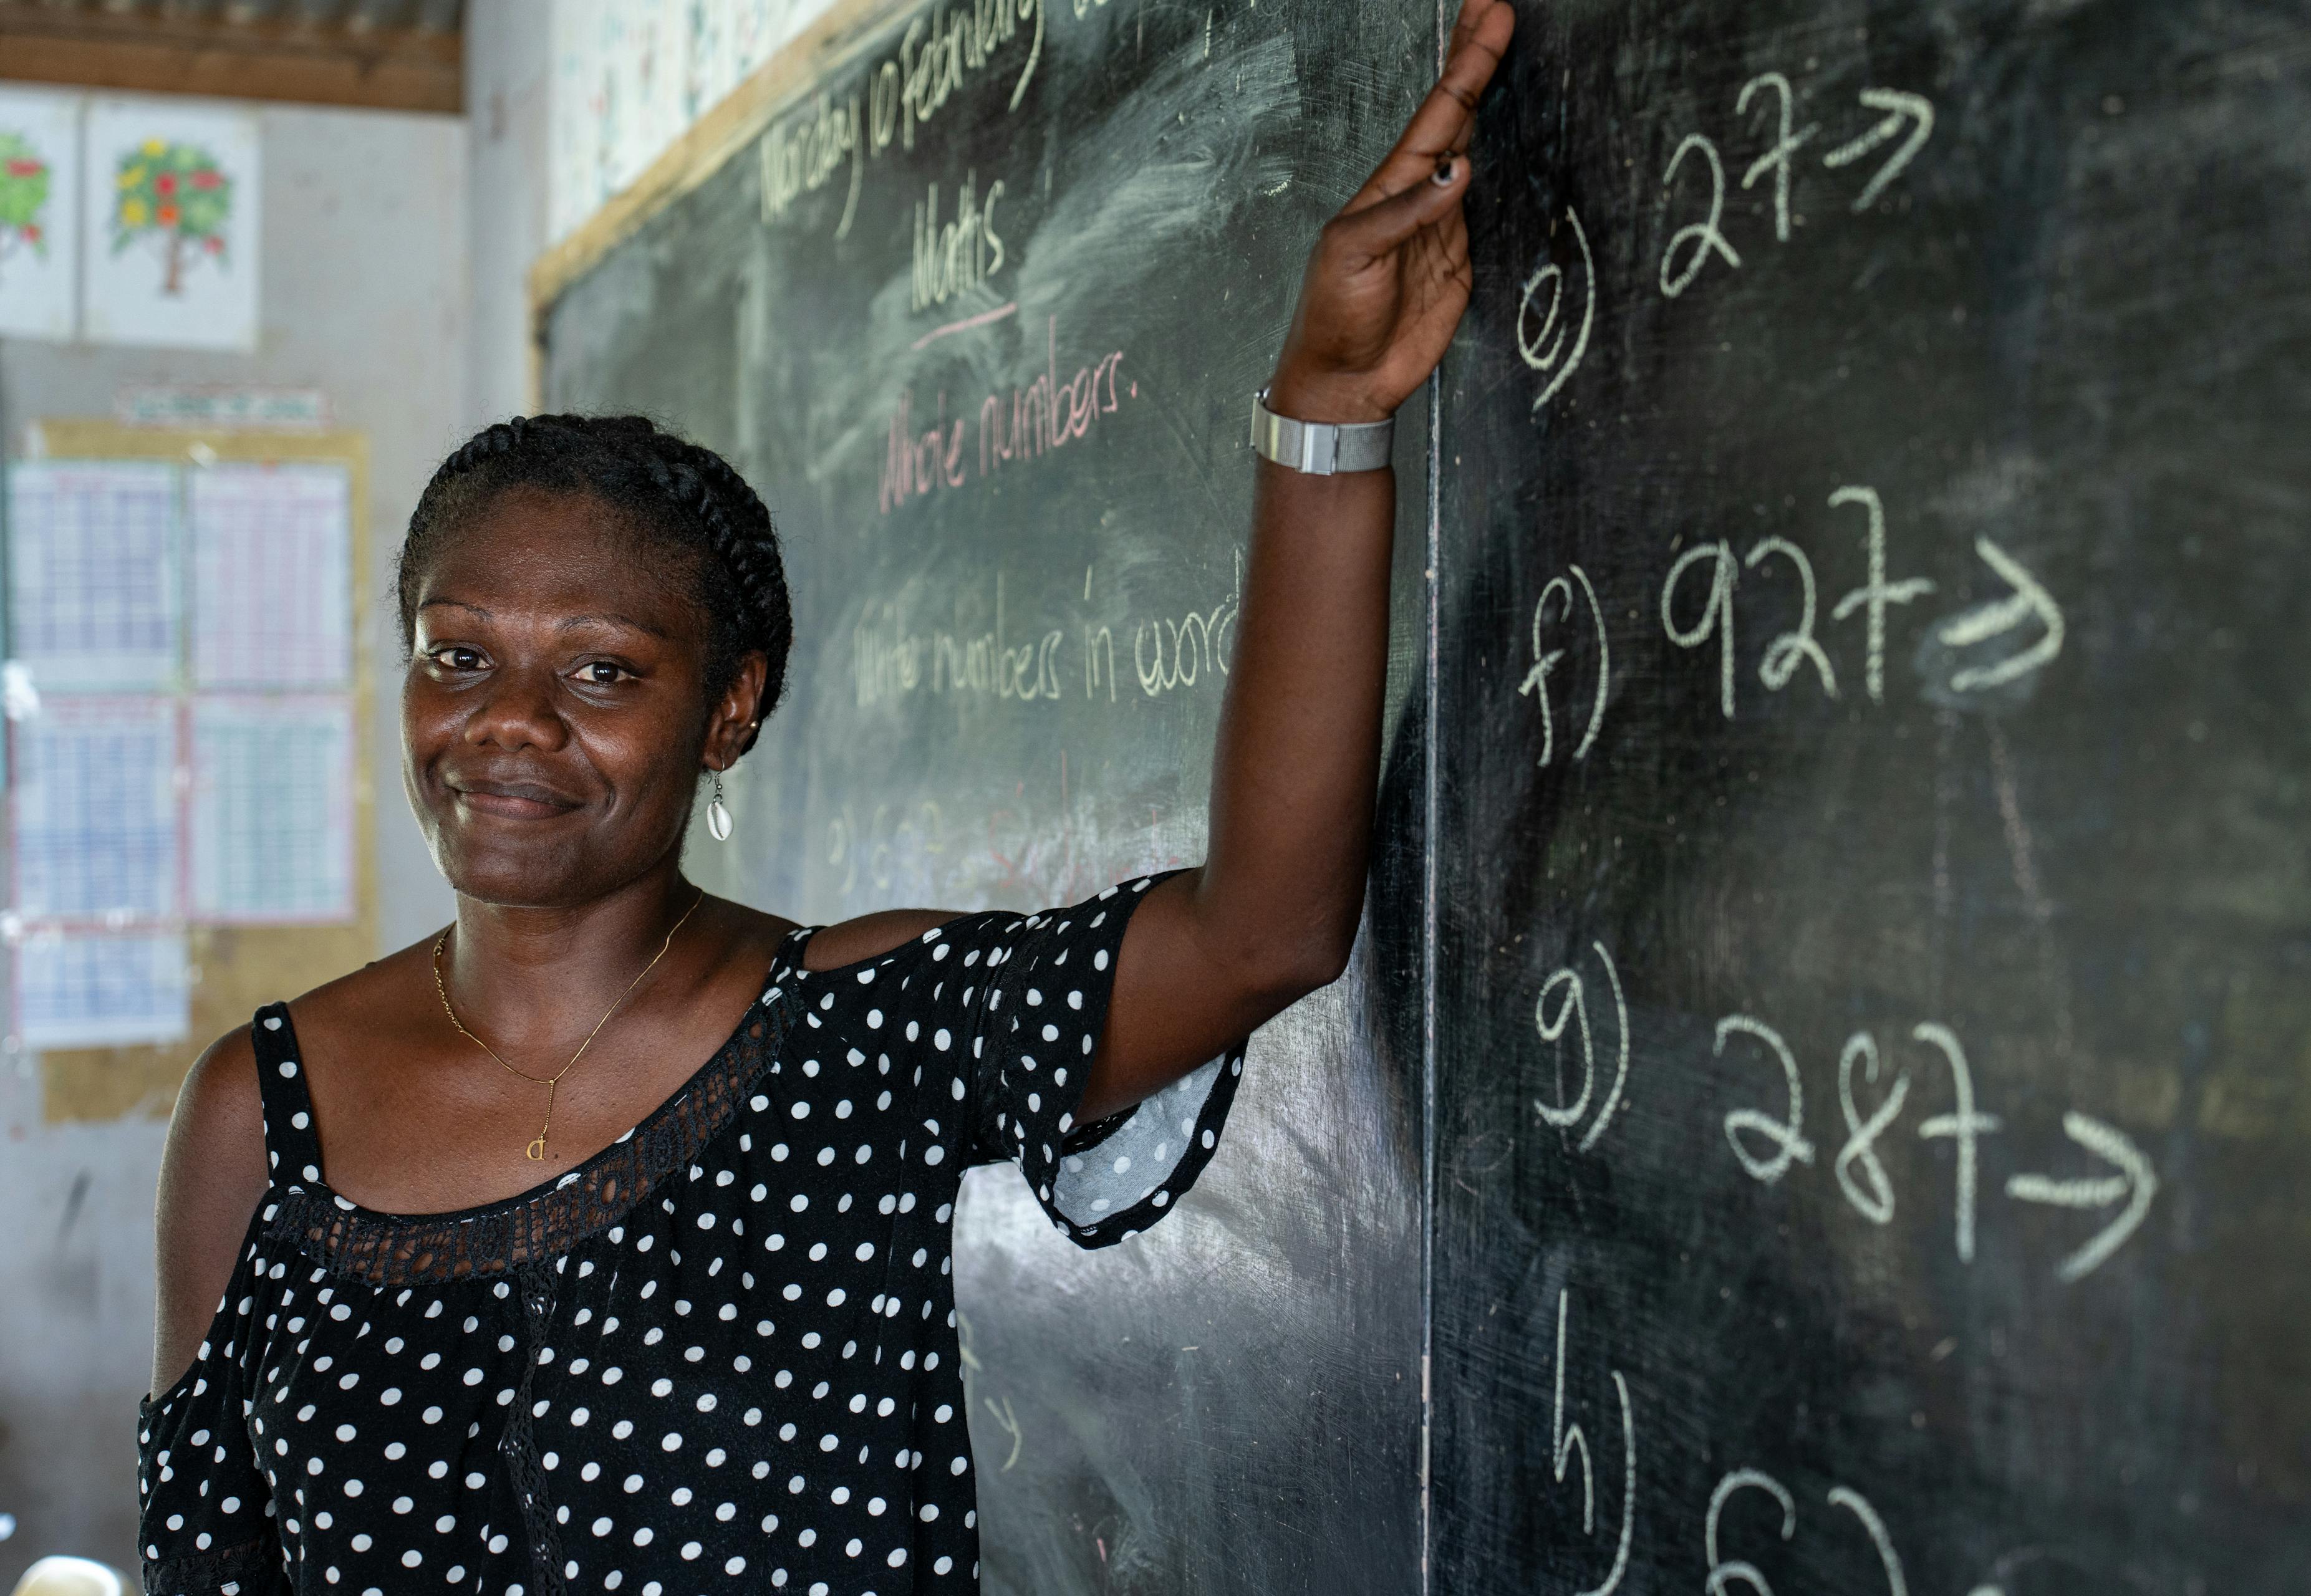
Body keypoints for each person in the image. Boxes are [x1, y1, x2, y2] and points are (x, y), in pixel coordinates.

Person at [135, 4, 1515, 1591]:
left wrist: (1327, 420)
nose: (507, 724)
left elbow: (1265, 928)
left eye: (600, 671)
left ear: (728, 710)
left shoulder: (856, 1040)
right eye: (458, 654)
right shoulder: (256, 1111)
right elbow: (204, 1553)